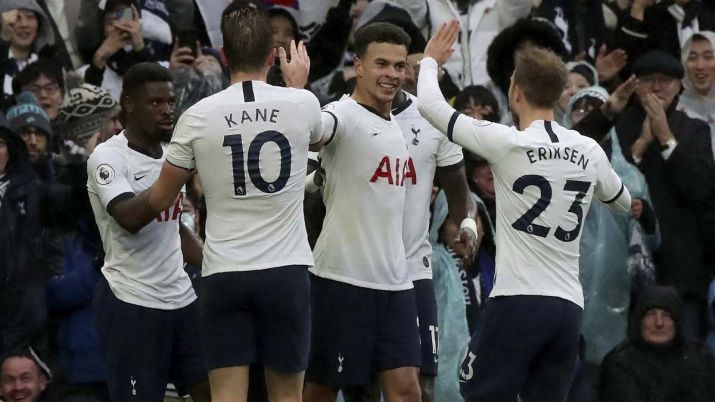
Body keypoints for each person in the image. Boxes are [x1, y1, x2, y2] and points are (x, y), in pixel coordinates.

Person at [102, 5, 319, 402]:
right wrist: (298, 87)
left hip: (225, 273)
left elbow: (163, 197)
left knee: (226, 397)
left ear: (223, 54)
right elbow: (318, 142)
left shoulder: (197, 116)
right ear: (273, 56)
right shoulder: (301, 105)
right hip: (285, 272)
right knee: (287, 397)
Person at [417, 21, 632, 401]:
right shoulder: (588, 149)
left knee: (478, 391)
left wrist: (431, 62)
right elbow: (623, 202)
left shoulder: (506, 142)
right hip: (567, 308)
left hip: (517, 300)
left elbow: (432, 108)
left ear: (515, 91)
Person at [303, 22, 421, 402]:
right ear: (359, 66)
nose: (392, 74)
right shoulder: (344, 113)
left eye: (399, 66)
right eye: (382, 64)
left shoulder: (395, 126)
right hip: (342, 280)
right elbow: (317, 130)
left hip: (396, 282)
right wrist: (295, 92)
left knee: (406, 392)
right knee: (321, 391)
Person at [85, 62, 209, 402]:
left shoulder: (171, 155)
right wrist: (172, 177)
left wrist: (214, 264)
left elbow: (172, 228)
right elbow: (130, 217)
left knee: (214, 390)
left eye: (171, 101)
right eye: (156, 103)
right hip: (132, 302)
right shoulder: (108, 157)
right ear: (129, 104)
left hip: (182, 297)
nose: (168, 110)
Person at [615, 49, 714, 341]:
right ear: (636, 87)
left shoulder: (694, 130)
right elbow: (609, 184)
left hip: (682, 271)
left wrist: (666, 138)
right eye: (648, 81)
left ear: (678, 87)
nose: (657, 88)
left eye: (665, 81)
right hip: (627, 270)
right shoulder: (622, 128)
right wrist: (643, 143)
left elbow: (700, 188)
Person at [600, 285, 715, 402]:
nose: (659, 323)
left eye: (667, 315)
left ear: (677, 322)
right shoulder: (620, 362)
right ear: (639, 321)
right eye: (650, 314)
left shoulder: (698, 360)